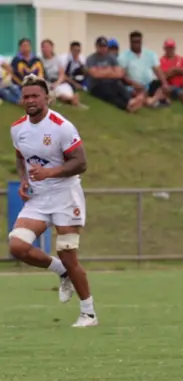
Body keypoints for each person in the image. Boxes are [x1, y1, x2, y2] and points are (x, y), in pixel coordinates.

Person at [8, 74, 97, 328]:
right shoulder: (18, 128)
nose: (31, 100)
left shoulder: (61, 126)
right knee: (17, 246)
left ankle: (88, 313)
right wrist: (24, 179)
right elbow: (20, 157)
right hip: (39, 198)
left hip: (66, 195)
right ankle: (61, 271)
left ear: (47, 97)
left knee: (68, 252)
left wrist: (49, 173)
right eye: (26, 96)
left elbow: (81, 163)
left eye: (35, 95)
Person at [86, 36, 145, 112]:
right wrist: (110, 71)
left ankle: (130, 100)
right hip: (96, 85)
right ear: (96, 47)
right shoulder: (91, 58)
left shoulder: (111, 57)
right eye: (100, 46)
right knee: (109, 93)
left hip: (111, 82)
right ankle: (127, 105)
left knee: (118, 85)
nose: (103, 48)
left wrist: (102, 71)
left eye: (104, 46)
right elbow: (95, 74)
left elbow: (119, 73)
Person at [119, 31, 169, 108]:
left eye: (138, 42)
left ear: (141, 42)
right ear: (130, 42)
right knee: (127, 90)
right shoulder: (124, 56)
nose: (136, 44)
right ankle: (154, 100)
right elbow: (122, 74)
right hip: (133, 86)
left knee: (162, 85)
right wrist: (133, 83)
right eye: (134, 42)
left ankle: (151, 100)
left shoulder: (150, 54)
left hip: (149, 84)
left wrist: (164, 83)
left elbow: (157, 70)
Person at [41, 39, 82, 107]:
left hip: (58, 82)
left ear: (52, 47)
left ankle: (71, 98)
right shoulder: (40, 60)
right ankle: (72, 99)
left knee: (63, 90)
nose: (46, 49)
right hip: (47, 83)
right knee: (57, 93)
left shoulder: (58, 59)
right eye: (44, 47)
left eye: (47, 47)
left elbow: (62, 74)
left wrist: (57, 83)